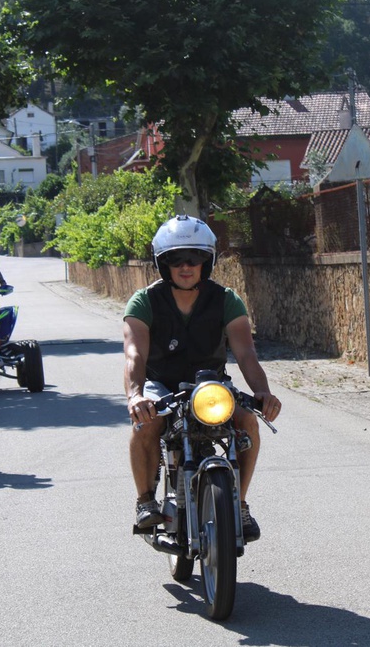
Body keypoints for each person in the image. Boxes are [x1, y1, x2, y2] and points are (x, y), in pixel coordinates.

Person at [123, 215, 282, 541]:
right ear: (162, 262)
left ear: (206, 262)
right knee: (146, 423)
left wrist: (263, 392)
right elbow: (134, 355)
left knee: (247, 422)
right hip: (161, 385)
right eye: (176, 258)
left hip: (211, 385)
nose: (186, 266)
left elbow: (246, 353)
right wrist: (136, 396)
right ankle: (144, 501)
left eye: (194, 258)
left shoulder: (226, 299)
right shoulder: (144, 302)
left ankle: (238, 504)